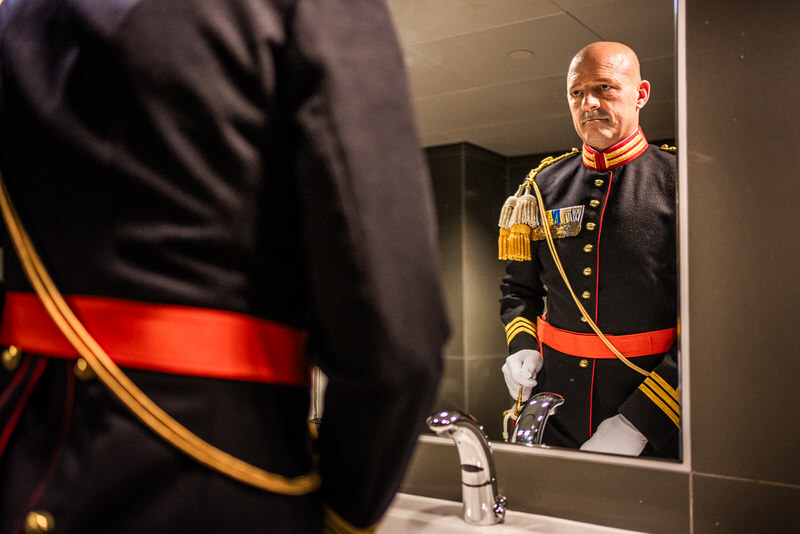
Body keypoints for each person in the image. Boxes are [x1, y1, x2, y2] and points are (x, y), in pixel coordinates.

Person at [0, 0, 449, 532]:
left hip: (21, 462)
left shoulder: (18, 16)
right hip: (215, 473)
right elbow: (397, 341)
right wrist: (346, 511)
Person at [499, 42, 678, 459]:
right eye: (576, 92)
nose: (588, 103)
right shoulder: (541, 188)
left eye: (604, 87)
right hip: (556, 409)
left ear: (641, 94)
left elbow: (712, 328)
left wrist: (642, 420)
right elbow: (517, 291)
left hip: (652, 415)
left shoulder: (680, 182)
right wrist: (521, 346)